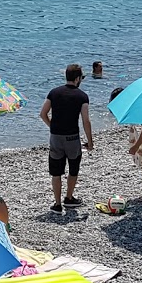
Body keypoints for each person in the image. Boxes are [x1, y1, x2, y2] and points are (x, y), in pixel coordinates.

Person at [40, 63, 94, 211]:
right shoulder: (82, 96)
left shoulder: (54, 93)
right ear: (77, 79)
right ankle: (69, 198)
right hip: (72, 138)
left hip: (56, 137)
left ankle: (57, 204)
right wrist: (90, 141)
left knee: (56, 171)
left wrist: (53, 127)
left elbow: (43, 114)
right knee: (73, 168)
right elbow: (85, 121)